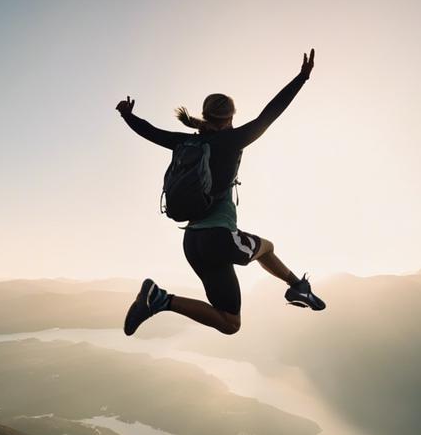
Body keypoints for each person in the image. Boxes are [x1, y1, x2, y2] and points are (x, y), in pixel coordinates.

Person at [115, 49, 325, 336]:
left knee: (228, 320)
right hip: (220, 239)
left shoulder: (185, 143)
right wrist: (302, 78)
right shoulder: (233, 140)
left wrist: (128, 115)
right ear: (229, 119)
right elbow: (271, 113)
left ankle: (160, 299)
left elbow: (150, 132)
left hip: (192, 242)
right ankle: (297, 286)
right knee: (268, 248)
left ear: (206, 116)